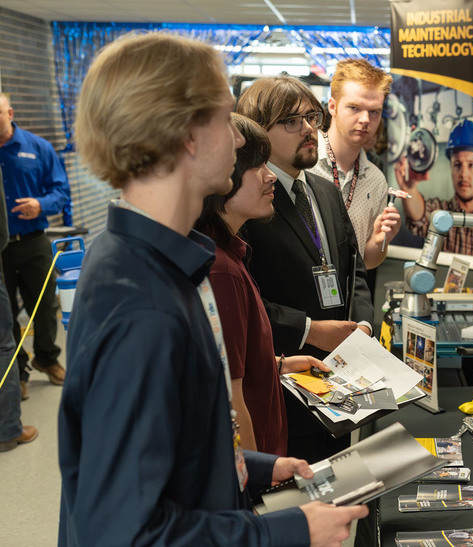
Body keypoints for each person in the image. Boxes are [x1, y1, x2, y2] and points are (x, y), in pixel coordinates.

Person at [59, 32, 367, 545]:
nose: (242, 139)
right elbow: (124, 533)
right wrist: (289, 530)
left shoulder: (160, 264)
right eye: (226, 117)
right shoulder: (142, 303)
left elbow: (174, 443)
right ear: (186, 135)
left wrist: (253, 466)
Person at [236, 76, 375, 461]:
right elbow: (244, 300)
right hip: (281, 380)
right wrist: (310, 331)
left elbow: (354, 270)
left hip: (340, 379)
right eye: (292, 121)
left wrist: (361, 326)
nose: (309, 129)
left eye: (312, 117)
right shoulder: (248, 203)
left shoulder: (324, 190)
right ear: (258, 133)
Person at [195, 114, 331, 456]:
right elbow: (231, 397)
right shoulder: (220, 269)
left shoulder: (231, 253)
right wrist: (258, 482)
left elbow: (232, 359)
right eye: (257, 166)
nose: (270, 176)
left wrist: (277, 365)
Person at [0, 92, 71, 398]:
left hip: (33, 241)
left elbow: (61, 191)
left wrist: (41, 204)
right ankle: (18, 371)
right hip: (0, 248)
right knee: (5, 315)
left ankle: (47, 358)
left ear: (10, 112)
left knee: (44, 307)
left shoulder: (37, 147)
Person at [308, 58, 400, 270]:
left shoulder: (376, 180)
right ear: (333, 106)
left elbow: (367, 262)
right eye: (354, 108)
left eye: (374, 111)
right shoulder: (305, 163)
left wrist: (379, 241)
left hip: (349, 299)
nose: (365, 119)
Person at [395, 120, 473, 257]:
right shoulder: (441, 215)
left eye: (471, 165)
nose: (464, 174)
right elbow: (419, 216)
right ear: (451, 169)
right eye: (457, 164)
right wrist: (409, 188)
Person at [0, 164, 38, 452]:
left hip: (31, 240)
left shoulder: (36, 148)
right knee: (3, 344)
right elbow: (1, 232)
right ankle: (8, 429)